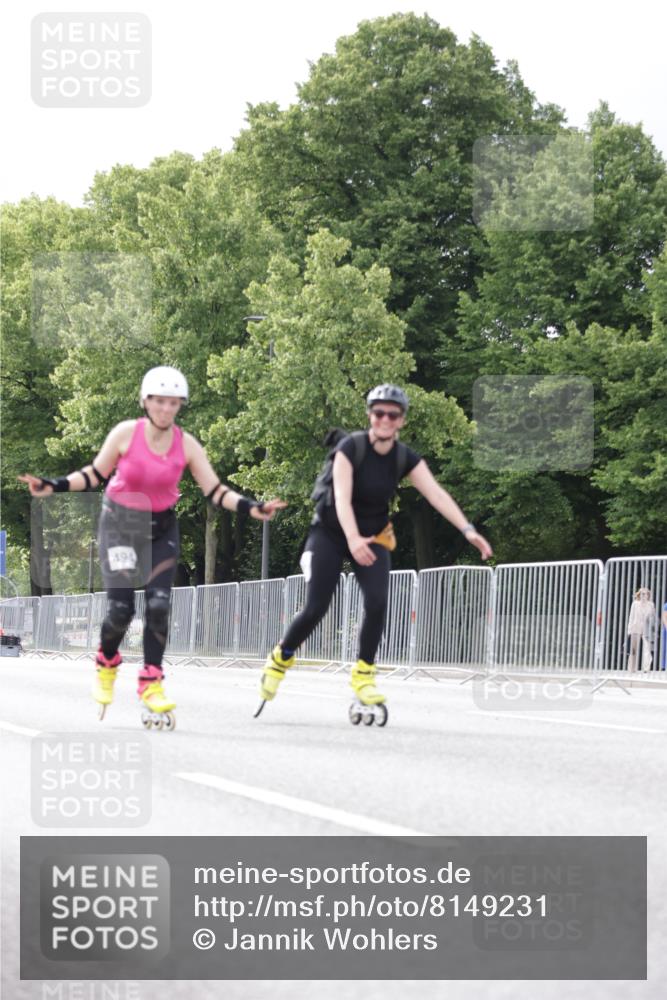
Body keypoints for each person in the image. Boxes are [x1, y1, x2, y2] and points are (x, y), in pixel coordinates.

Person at [20, 366, 285, 724]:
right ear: (146, 402)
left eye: (172, 403)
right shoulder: (126, 434)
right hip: (119, 525)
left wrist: (253, 507)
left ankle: (151, 682)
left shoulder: (186, 444)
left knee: (159, 606)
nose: (165, 409)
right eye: (159, 401)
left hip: (161, 530)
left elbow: (214, 490)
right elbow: (94, 474)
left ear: (180, 405)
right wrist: (54, 484)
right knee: (120, 610)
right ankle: (107, 662)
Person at [257, 384, 493, 719]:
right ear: (370, 416)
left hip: (375, 534)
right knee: (317, 605)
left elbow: (436, 494)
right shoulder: (349, 448)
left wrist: (468, 530)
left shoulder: (404, 457)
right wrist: (352, 539)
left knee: (378, 600)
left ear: (401, 421)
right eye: (378, 412)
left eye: (392, 414)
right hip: (331, 531)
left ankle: (364, 675)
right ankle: (280, 658)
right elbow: (341, 498)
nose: (384, 419)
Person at [626, 587, 656, 673]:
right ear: (639, 594)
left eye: (645, 594)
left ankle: (646, 668)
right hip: (635, 628)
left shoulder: (651, 605)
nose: (644, 595)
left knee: (647, 649)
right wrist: (629, 630)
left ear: (648, 595)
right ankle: (632, 668)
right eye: (642, 594)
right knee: (634, 650)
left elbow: (653, 618)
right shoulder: (635, 604)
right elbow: (631, 617)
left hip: (647, 630)